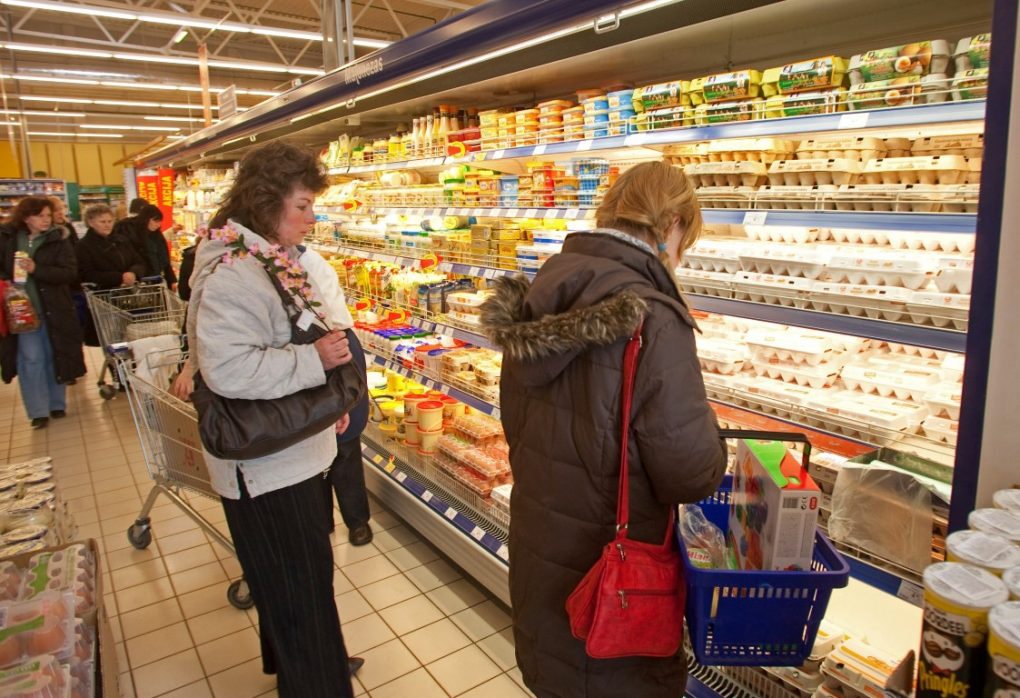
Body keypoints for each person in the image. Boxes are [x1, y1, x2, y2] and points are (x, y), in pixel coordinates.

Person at [480, 161, 728, 698]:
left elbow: (517, 422)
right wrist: (718, 441)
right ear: (673, 226)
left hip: (541, 553)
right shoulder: (654, 318)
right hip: (613, 581)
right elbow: (690, 472)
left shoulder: (541, 292)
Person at [185, 140, 362, 697]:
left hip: (284, 457)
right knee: (301, 587)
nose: (313, 218)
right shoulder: (239, 272)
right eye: (303, 205)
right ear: (267, 206)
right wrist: (316, 359)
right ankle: (316, 682)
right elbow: (230, 370)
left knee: (293, 584)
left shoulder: (259, 258)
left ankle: (306, 666)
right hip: (268, 468)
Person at [302, 249, 373, 546]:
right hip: (305, 354)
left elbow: (328, 315)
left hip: (335, 343)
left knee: (345, 443)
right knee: (311, 445)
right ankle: (321, 521)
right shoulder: (265, 259)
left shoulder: (306, 262)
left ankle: (357, 521)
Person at [0, 196, 86, 428]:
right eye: (41, 216)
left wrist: (37, 269)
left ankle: (57, 404)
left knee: (53, 355)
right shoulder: (8, 238)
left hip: (54, 309)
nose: (47, 220)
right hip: (21, 311)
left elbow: (69, 273)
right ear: (27, 217)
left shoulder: (59, 239)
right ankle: (38, 411)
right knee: (30, 359)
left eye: (49, 215)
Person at [76, 204, 147, 346]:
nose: (107, 225)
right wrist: (119, 277)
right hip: (104, 300)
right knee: (113, 341)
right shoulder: (84, 246)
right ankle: (118, 367)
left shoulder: (121, 240)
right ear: (91, 222)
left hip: (130, 297)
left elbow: (140, 261)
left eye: (110, 221)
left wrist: (133, 273)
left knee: (134, 338)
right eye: (102, 222)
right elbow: (86, 274)